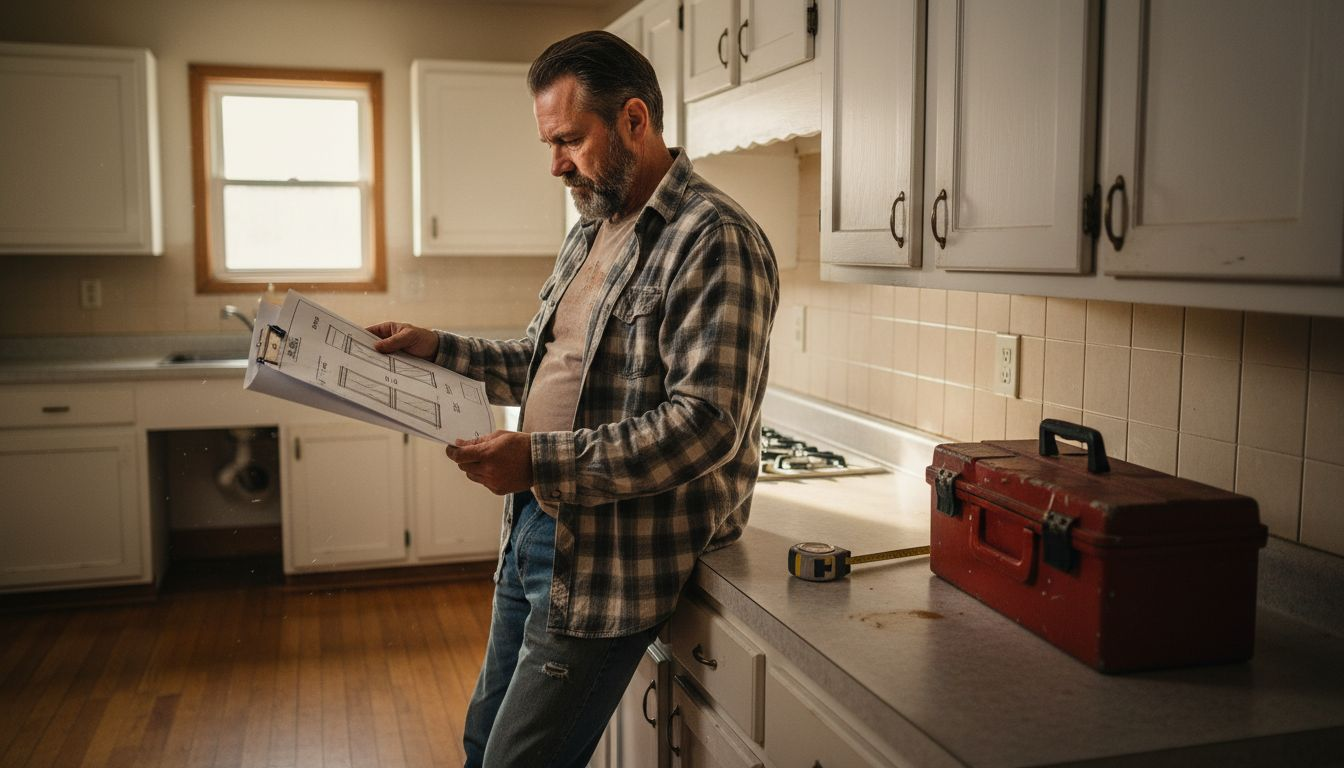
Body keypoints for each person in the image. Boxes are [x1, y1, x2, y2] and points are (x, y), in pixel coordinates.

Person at [368, 29, 778, 768]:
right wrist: (438, 348)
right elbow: (542, 363)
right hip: (534, 530)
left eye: (569, 140)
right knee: (481, 744)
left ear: (633, 119)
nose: (555, 163)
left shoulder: (713, 237)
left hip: (609, 560)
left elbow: (706, 424)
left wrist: (538, 461)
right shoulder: (593, 226)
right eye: (550, 143)